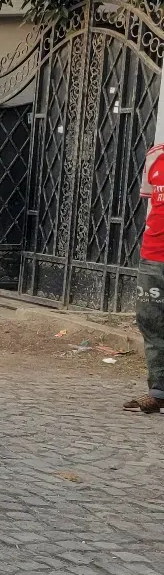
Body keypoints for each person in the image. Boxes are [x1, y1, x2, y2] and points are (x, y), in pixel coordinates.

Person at [125, 135, 164, 413]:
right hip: (153, 255)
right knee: (151, 323)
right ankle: (158, 391)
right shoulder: (155, 156)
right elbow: (151, 204)